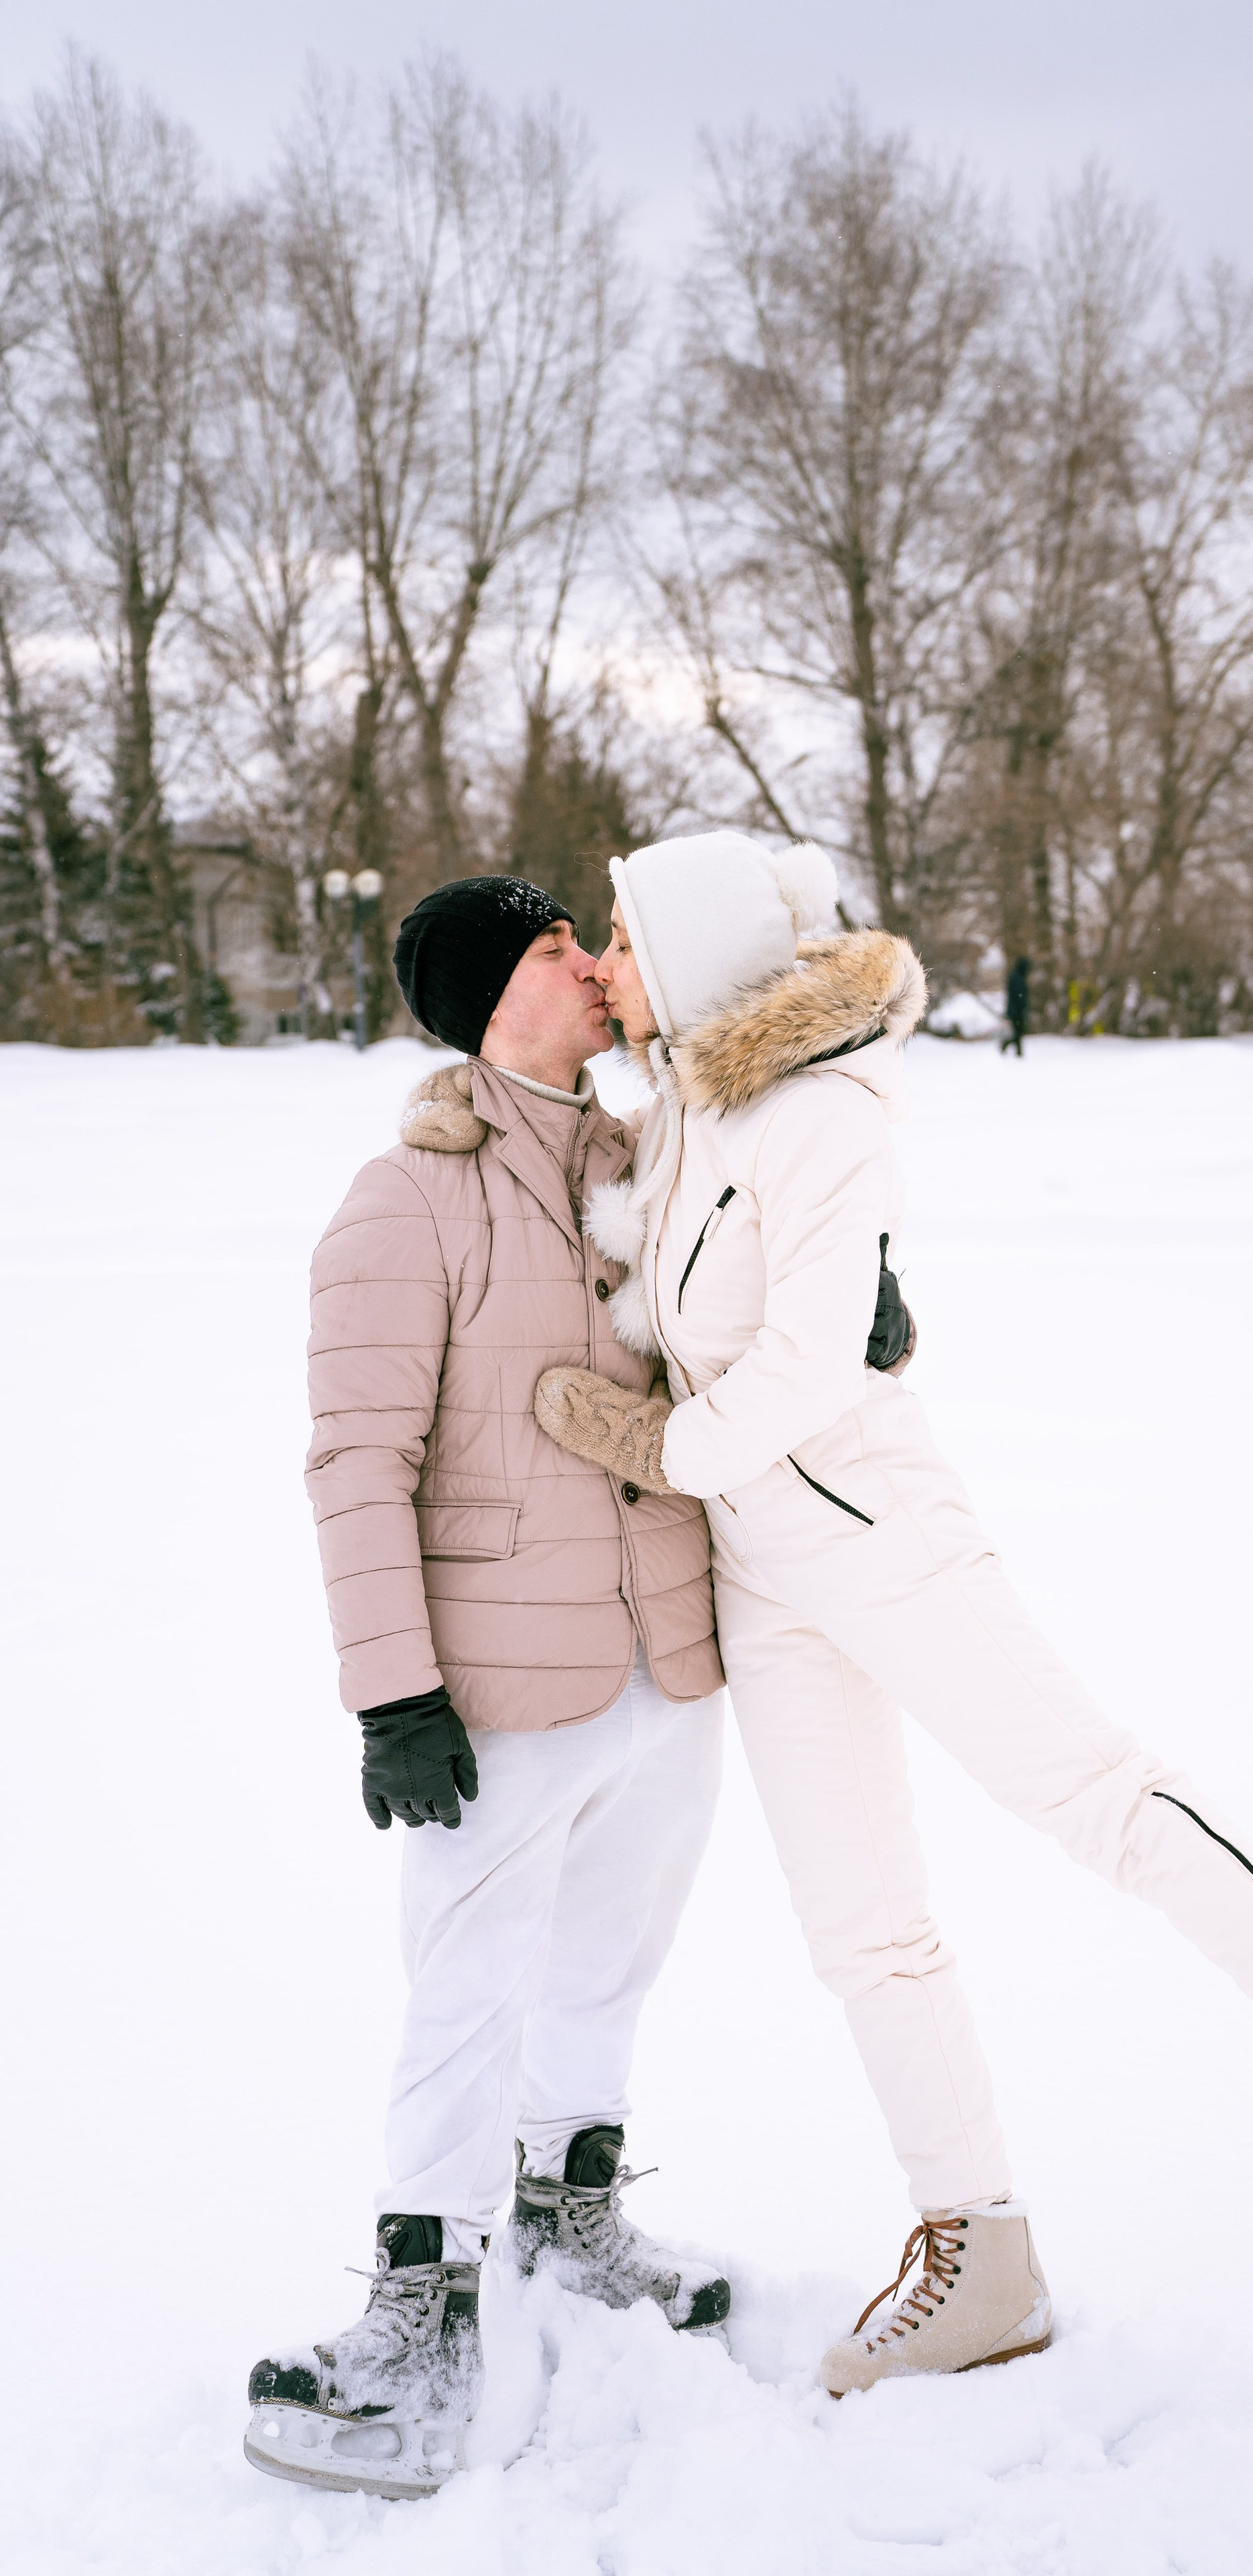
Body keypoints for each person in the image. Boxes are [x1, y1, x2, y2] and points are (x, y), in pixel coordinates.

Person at [531, 829, 1253, 2401]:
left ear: (698, 951)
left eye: (622, 933)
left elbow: (802, 1362)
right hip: (762, 1571)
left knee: (1097, 1799)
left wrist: (655, 1446)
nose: (605, 958)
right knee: (860, 1927)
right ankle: (979, 2252)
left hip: (875, 1532)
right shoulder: (684, 1116)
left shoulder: (817, 1111)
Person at [244, 878, 731, 2502]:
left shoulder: (650, 1165)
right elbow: (353, 1460)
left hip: (667, 1655)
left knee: (607, 1969)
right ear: (482, 996)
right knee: (466, 1995)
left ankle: (568, 2212)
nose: (589, 962)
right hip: (499, 1693)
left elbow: (741, 1326)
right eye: (549, 946)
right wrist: (394, 1693)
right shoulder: (407, 1200)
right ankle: (416, 2307)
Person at [1002, 954, 1030, 1056]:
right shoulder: (1017, 978)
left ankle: (1018, 1052)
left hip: (1016, 1010)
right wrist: (1017, 1009)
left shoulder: (1017, 977)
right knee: (1018, 1033)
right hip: (1016, 1011)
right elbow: (1017, 997)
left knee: (1018, 1033)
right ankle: (1011, 1048)